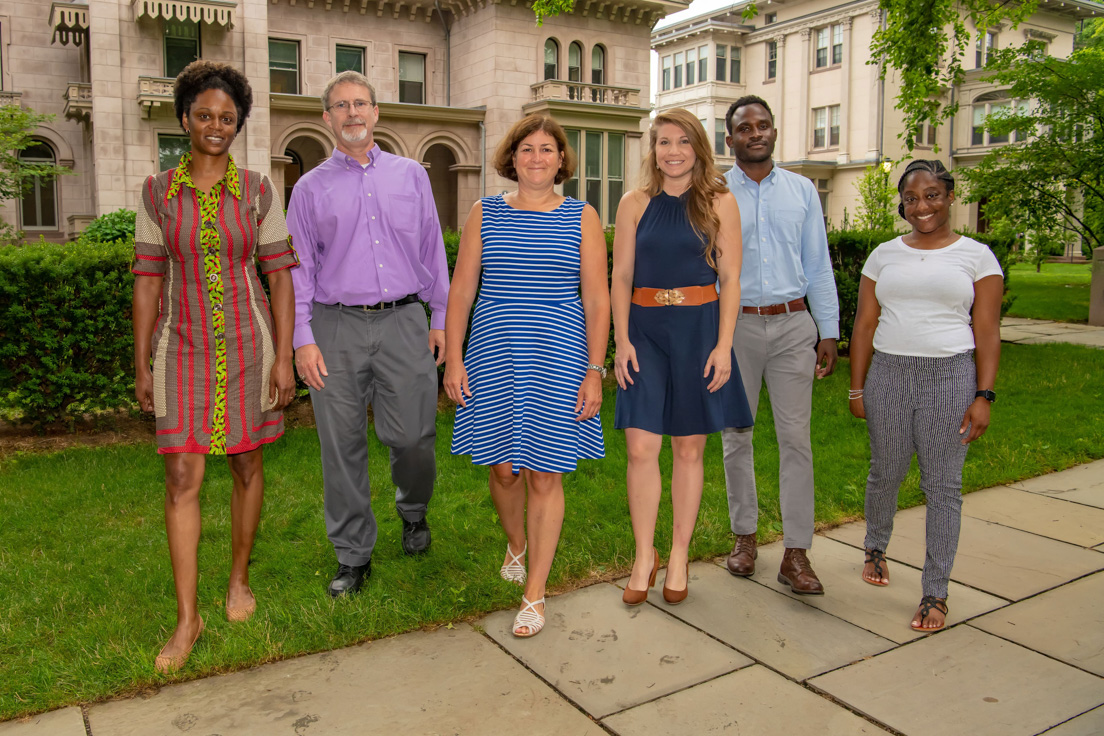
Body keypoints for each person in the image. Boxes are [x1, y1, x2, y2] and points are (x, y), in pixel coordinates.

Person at [132, 60, 299, 672]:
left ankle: (237, 579)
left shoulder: (257, 192)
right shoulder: (156, 194)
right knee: (181, 478)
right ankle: (186, 617)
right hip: (180, 348)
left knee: (248, 462)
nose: (215, 125)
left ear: (239, 125)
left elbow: (280, 277)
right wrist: (143, 363)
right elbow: (147, 283)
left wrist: (283, 356)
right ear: (184, 119)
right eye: (204, 115)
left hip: (250, 347)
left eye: (227, 118)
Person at [445, 114, 609, 638]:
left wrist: (595, 369)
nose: (537, 158)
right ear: (511, 158)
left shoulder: (582, 216)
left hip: (559, 355)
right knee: (502, 470)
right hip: (494, 354)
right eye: (527, 149)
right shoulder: (483, 212)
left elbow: (598, 299)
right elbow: (462, 291)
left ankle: (534, 592)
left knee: (544, 472)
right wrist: (453, 358)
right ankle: (515, 541)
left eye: (547, 149)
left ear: (562, 160)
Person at [287, 71, 449, 598]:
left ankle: (413, 509)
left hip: (405, 321)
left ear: (376, 113)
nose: (352, 113)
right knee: (342, 445)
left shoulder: (411, 176)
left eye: (361, 104)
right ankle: (353, 554)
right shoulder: (309, 189)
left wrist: (441, 318)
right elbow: (298, 270)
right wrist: (302, 337)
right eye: (340, 106)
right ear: (327, 118)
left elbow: (432, 251)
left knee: (413, 437)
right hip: (335, 328)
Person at [849, 159, 1002, 631]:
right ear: (903, 203)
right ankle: (876, 547)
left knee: (943, 488)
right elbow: (865, 323)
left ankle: (935, 592)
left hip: (950, 378)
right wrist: (857, 385)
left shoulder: (977, 257)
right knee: (886, 472)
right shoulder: (883, 255)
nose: (922, 206)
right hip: (890, 375)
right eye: (912, 198)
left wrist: (984, 395)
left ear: (950, 196)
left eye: (932, 195)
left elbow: (988, 331)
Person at [611, 107, 753, 607]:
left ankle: (679, 553)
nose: (672, 151)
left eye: (682, 142)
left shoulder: (720, 201)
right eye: (663, 141)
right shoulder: (633, 203)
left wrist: (723, 346)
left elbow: (731, 278)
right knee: (640, 449)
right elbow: (621, 276)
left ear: (698, 147)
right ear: (653, 148)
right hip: (644, 333)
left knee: (689, 450)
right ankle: (644, 555)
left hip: (699, 331)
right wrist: (621, 341)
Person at [720, 95, 840, 594]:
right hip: (736, 329)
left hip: (793, 326)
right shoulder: (713, 191)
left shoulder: (802, 191)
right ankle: (745, 538)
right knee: (736, 437)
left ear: (773, 131)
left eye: (763, 124)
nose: (756, 132)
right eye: (745, 127)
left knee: (796, 440)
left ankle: (796, 552)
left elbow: (818, 264)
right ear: (730, 140)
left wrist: (828, 330)